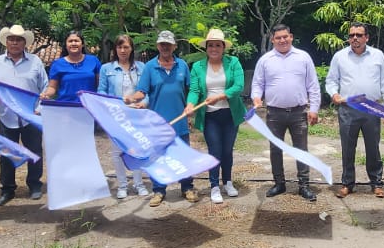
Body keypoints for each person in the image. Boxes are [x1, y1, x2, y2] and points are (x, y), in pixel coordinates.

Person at [251, 24, 320, 202]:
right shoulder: (265, 60)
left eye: (285, 37)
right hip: (274, 113)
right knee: (275, 149)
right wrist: (256, 98)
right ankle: (279, 183)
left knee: (301, 149)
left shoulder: (303, 57)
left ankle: (304, 185)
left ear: (291, 37)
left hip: (299, 112)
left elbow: (313, 85)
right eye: (278, 37)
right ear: (273, 39)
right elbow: (258, 83)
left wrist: (314, 109)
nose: (282, 40)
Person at [0, 24, 48, 206]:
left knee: (35, 150)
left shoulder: (35, 62)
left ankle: (34, 185)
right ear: (6, 42)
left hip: (30, 115)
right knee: (6, 152)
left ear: (24, 42)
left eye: (18, 39)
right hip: (6, 115)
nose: (15, 43)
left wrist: (40, 107)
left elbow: (46, 87)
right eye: (11, 39)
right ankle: (7, 189)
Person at [127, 31, 196, 206]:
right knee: (158, 158)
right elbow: (142, 91)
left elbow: (191, 90)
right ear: (157, 46)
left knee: (183, 155)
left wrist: (190, 106)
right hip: (157, 122)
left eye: (168, 44)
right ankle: (159, 190)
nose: (165, 47)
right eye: (162, 44)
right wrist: (131, 98)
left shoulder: (182, 66)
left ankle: (187, 187)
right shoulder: (150, 67)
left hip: (179, 120)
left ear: (174, 46)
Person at [326, 23, 384, 198]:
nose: (355, 38)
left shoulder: (377, 56)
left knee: (373, 148)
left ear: (367, 37)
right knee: (348, 148)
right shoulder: (340, 57)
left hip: (371, 108)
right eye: (352, 35)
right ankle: (348, 183)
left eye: (359, 35)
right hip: (348, 109)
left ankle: (376, 183)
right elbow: (331, 80)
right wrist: (334, 94)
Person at [185, 29, 245, 204]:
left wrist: (220, 96)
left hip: (230, 114)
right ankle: (214, 186)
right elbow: (195, 90)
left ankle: (227, 182)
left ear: (223, 47)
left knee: (227, 151)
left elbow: (239, 86)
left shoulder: (233, 62)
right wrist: (190, 105)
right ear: (206, 48)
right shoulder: (197, 67)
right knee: (215, 151)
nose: (214, 48)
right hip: (210, 116)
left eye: (217, 45)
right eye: (210, 45)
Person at [98, 34, 149, 199]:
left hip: (137, 114)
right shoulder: (107, 69)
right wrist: (111, 105)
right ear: (115, 49)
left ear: (132, 48)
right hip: (116, 115)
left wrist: (145, 103)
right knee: (117, 151)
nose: (123, 50)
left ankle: (139, 183)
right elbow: (101, 92)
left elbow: (146, 90)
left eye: (126, 47)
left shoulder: (142, 67)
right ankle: (122, 185)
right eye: (119, 47)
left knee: (137, 150)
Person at [42, 30, 99, 103]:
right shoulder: (57, 64)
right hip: (66, 107)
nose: (73, 43)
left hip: (90, 107)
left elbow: (99, 86)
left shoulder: (93, 61)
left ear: (83, 44)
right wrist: (46, 95)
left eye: (76, 41)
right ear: (66, 45)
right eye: (70, 41)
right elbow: (52, 87)